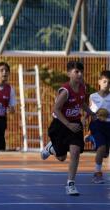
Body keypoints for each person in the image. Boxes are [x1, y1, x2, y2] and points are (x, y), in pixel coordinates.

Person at [40, 60, 96, 196]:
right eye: (76, 71)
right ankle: (51, 148)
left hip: (75, 123)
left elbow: (81, 103)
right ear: (69, 73)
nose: (80, 74)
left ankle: (70, 184)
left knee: (75, 152)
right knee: (62, 158)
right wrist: (68, 124)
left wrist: (91, 113)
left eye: (81, 72)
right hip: (60, 124)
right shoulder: (65, 91)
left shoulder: (82, 87)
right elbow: (56, 110)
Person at [84, 70, 110, 184]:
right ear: (99, 81)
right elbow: (89, 109)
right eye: (104, 81)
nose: (107, 84)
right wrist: (84, 118)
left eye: (109, 82)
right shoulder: (93, 96)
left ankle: (91, 137)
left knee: (105, 153)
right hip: (97, 124)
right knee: (102, 148)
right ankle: (97, 173)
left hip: (108, 125)